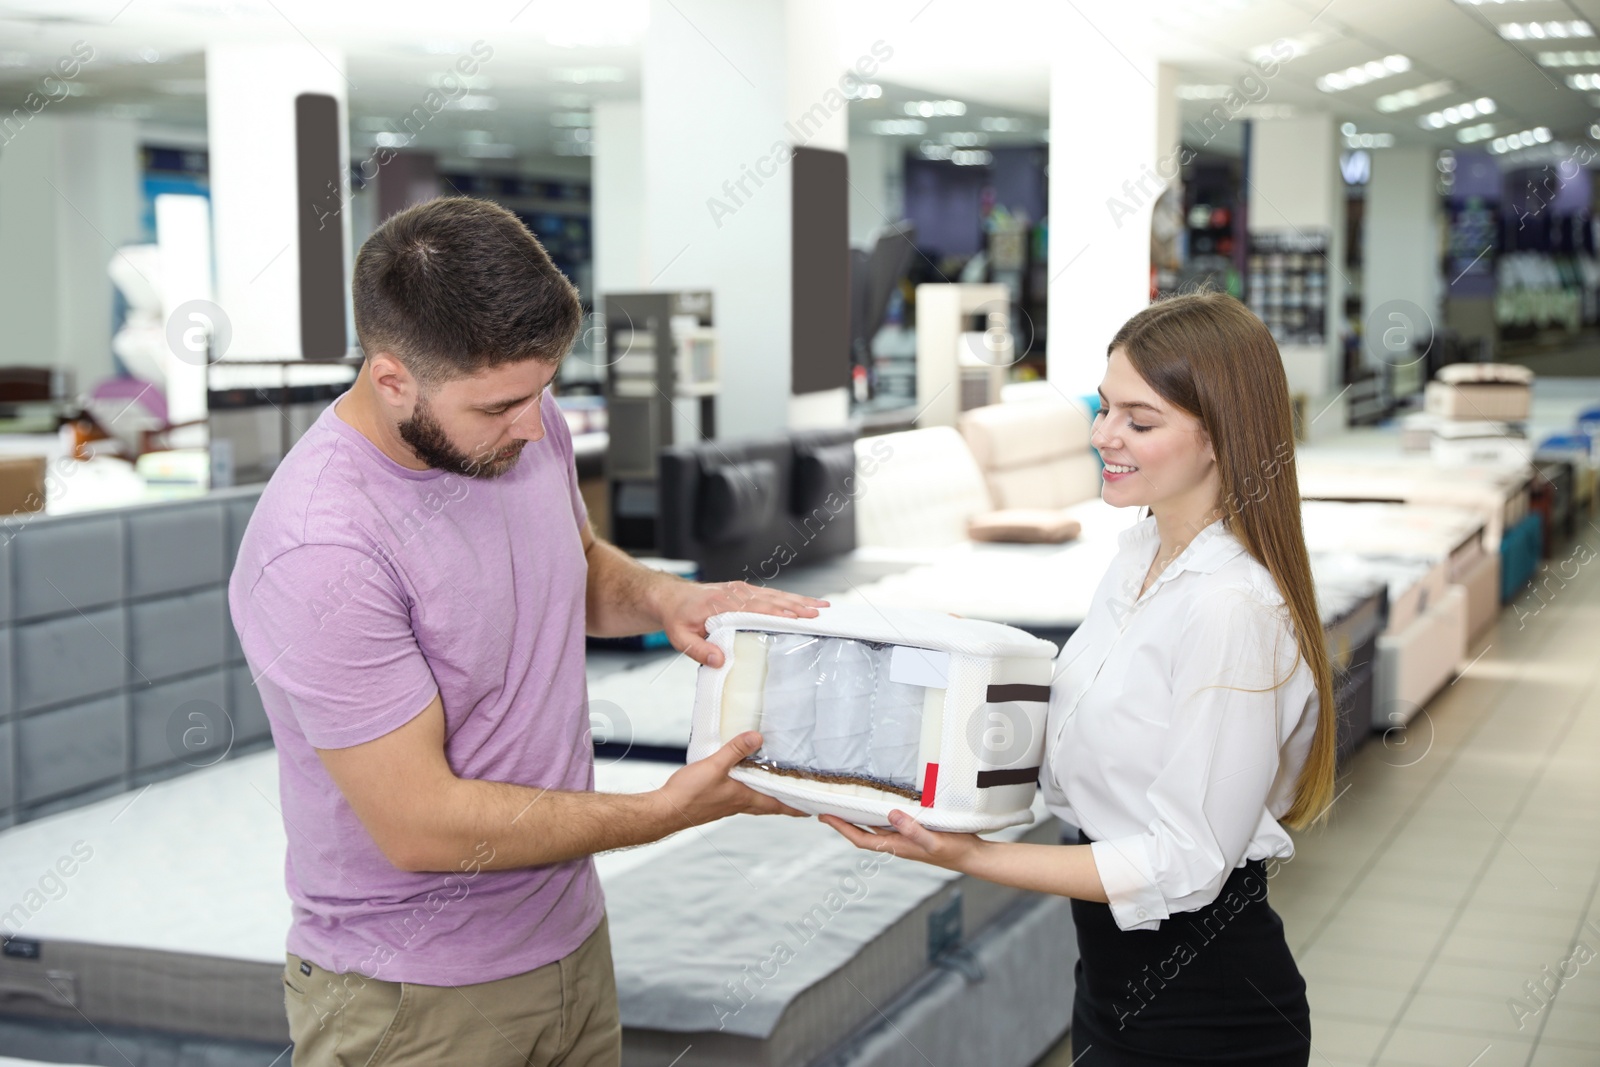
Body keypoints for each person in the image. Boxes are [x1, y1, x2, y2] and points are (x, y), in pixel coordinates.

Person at [229, 196, 821, 1067]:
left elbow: (571, 563)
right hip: (416, 1001)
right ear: (392, 378)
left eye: (543, 390)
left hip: (570, 943)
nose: (534, 422)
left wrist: (662, 596)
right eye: (503, 403)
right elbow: (421, 825)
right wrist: (659, 811)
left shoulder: (520, 420)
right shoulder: (321, 545)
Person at [823, 291, 1335, 1065]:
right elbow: (1087, 736)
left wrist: (966, 855)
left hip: (1209, 1017)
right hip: (1108, 988)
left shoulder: (1232, 607)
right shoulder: (1138, 555)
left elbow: (1185, 864)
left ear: (1220, 435)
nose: (1103, 436)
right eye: (1104, 409)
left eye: (1139, 419)